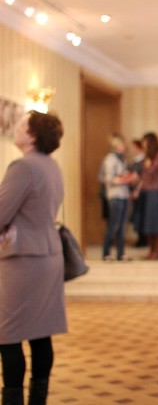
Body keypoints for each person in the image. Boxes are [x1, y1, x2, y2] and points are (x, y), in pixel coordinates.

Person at [0, 111, 66, 405]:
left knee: (8, 334)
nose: (16, 128)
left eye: (21, 125)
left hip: (23, 259)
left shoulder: (23, 166)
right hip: (48, 254)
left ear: (33, 135)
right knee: (40, 332)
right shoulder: (51, 166)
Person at [101, 134, 138, 261]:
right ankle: (106, 252)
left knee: (122, 226)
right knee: (113, 225)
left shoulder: (122, 159)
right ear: (116, 146)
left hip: (124, 194)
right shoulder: (110, 159)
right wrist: (126, 179)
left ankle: (121, 253)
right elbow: (109, 179)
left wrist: (129, 177)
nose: (125, 147)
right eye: (123, 145)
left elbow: (121, 174)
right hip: (115, 195)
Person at [139, 132, 158, 260]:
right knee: (148, 223)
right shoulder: (147, 156)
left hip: (154, 192)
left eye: (144, 141)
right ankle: (152, 250)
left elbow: (152, 171)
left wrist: (148, 165)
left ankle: (157, 251)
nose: (143, 144)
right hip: (146, 191)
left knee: (156, 223)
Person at [129, 139, 147, 248]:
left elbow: (143, 178)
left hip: (140, 191)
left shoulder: (143, 161)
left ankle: (143, 239)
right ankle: (140, 238)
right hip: (134, 190)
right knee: (136, 215)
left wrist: (137, 190)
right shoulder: (135, 161)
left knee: (141, 215)